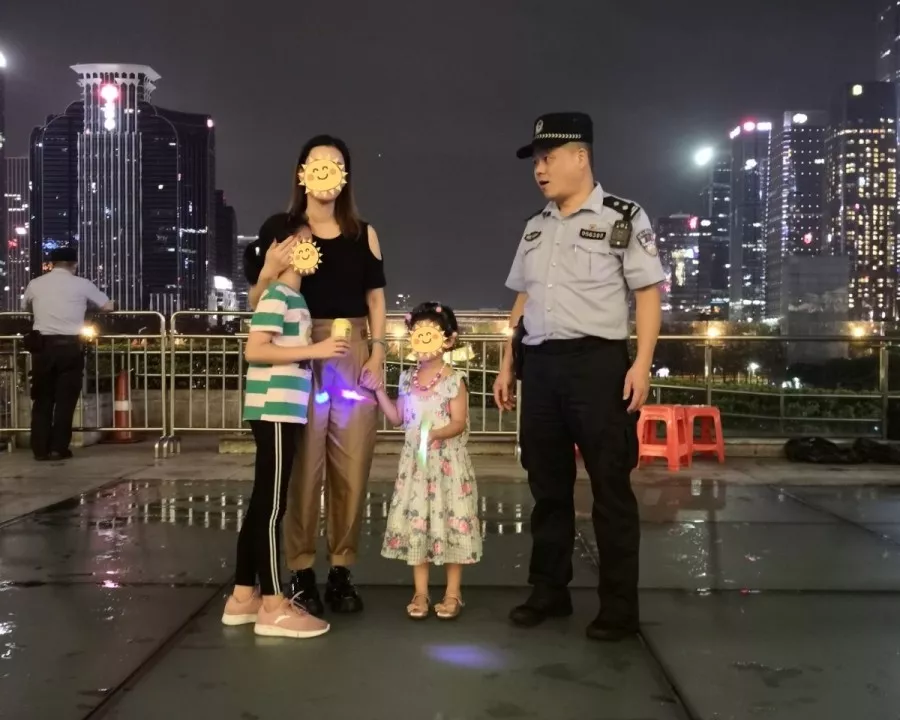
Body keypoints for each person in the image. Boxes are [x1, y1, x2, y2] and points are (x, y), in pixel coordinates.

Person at [493, 112, 664, 642]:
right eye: (535, 162)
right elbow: (523, 297)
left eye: (548, 158)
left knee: (610, 487)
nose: (539, 170)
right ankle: (549, 590)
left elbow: (647, 293)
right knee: (547, 486)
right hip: (541, 366)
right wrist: (508, 361)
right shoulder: (536, 225)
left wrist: (641, 363)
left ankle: (619, 607)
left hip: (597, 366)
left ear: (580, 156)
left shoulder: (623, 216)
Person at [247, 134, 387, 616]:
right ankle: (301, 571)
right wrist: (269, 268)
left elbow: (375, 299)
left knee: (352, 466)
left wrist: (377, 353)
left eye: (336, 162)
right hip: (298, 353)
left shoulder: (363, 233)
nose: (326, 168)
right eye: (317, 161)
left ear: (345, 176)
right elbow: (258, 301)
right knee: (302, 469)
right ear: (302, 172)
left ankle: (342, 570)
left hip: (351, 350)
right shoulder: (282, 229)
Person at [222, 222, 348, 639]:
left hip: (282, 408)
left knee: (263, 503)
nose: (313, 248)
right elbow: (255, 349)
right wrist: (318, 349)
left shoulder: (290, 295)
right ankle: (274, 605)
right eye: (306, 241)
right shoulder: (278, 294)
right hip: (274, 408)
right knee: (273, 506)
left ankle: (243, 596)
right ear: (283, 248)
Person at [374, 302, 481, 620]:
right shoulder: (407, 379)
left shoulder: (454, 380)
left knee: (451, 522)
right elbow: (397, 418)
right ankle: (420, 592)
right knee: (418, 523)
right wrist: (378, 391)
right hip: (416, 468)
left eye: (429, 333)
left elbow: (458, 422)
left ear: (448, 340)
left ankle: (452, 592)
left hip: (447, 466)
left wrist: (433, 434)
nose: (421, 340)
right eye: (416, 333)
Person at [22, 246, 114, 461]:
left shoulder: (36, 283)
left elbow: (26, 307)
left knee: (42, 399)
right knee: (65, 401)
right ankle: (58, 448)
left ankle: (40, 449)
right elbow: (107, 306)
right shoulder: (82, 284)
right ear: (74, 264)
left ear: (51, 264)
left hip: (42, 348)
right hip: (70, 347)